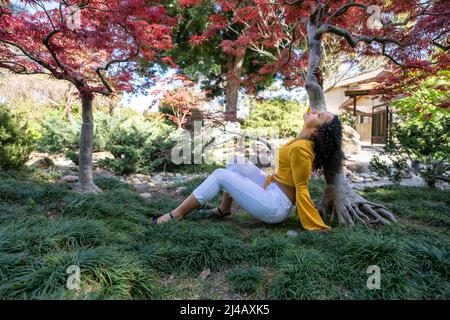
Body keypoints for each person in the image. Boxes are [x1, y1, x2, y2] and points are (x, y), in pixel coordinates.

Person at [152, 107, 344, 231]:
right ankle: (224, 209)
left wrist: (312, 222)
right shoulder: (303, 138)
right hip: (273, 188)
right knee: (236, 161)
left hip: (276, 206)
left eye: (319, 115)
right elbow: (310, 110)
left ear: (317, 131)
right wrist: (317, 83)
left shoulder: (302, 149)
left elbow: (301, 188)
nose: (315, 110)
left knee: (220, 175)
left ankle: (177, 214)